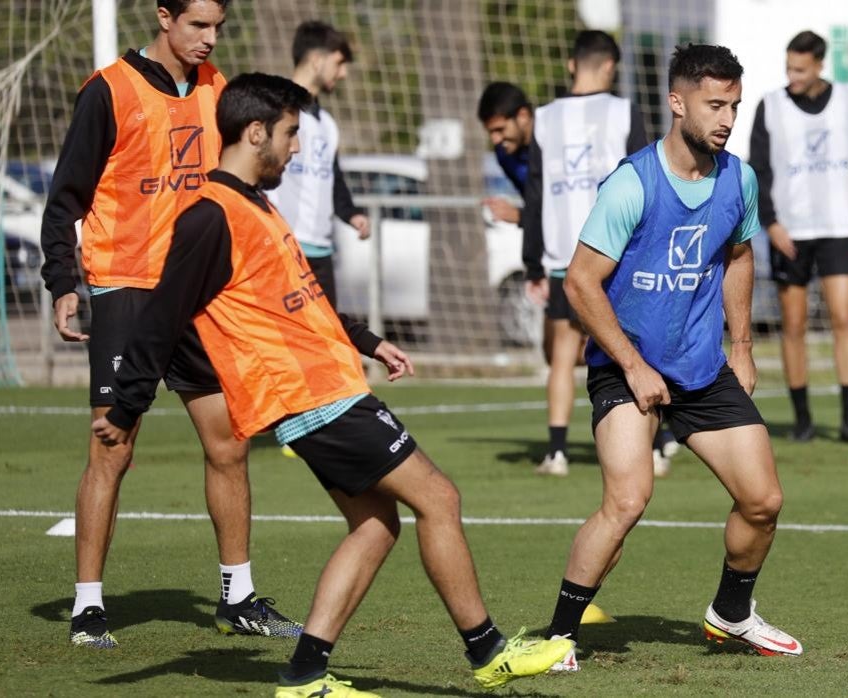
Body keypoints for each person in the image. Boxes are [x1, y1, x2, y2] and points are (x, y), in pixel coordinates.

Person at [91, 72, 574, 696]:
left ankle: (305, 674)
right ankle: (488, 653)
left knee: (377, 525)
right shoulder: (210, 217)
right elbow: (159, 319)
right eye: (291, 134)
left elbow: (302, 300)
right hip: (311, 396)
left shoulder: (255, 206)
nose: (297, 149)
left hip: (328, 385)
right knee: (440, 499)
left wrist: (367, 340)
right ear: (256, 132)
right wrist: (127, 407)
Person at [38, 0, 301, 649]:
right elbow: (66, 195)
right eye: (197, 26)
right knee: (113, 446)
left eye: (218, 28)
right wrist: (62, 282)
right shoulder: (109, 91)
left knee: (229, 443)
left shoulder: (217, 91)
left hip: (197, 292)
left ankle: (237, 597)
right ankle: (90, 605)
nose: (210, 40)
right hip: (126, 287)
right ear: (162, 16)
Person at [541, 43, 803, 672]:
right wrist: (632, 365)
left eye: (734, 105)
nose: (727, 118)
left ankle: (731, 614)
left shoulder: (738, 178)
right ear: (677, 101)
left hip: (700, 368)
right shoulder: (633, 183)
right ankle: (557, 638)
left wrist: (740, 345)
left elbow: (739, 254)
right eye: (715, 104)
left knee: (763, 500)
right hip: (626, 367)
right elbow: (580, 281)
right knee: (628, 499)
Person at [522, 30, 649, 477]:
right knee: (633, 348)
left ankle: (556, 451)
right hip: (618, 254)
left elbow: (534, 192)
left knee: (562, 353)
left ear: (573, 64)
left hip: (563, 256)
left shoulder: (543, 118)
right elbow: (644, 179)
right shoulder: (623, 111)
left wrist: (532, 261)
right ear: (610, 67)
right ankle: (651, 446)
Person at [749, 30, 848, 444]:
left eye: (800, 69)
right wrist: (770, 223)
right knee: (794, 324)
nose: (793, 76)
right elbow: (759, 170)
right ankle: (802, 419)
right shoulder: (770, 106)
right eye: (788, 67)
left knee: (843, 318)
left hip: (838, 227)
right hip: (790, 231)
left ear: (821, 65)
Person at [265, 20, 369, 308]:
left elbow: (332, 179)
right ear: (315, 60)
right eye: (339, 63)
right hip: (283, 247)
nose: (344, 73)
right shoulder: (275, 111)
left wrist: (352, 213)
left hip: (321, 252)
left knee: (328, 343)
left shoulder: (328, 125)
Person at [476, 81, 533, 224]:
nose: (495, 139)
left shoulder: (555, 145)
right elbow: (534, 204)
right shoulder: (504, 155)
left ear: (523, 116)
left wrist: (520, 216)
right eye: (490, 132)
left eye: (500, 129)